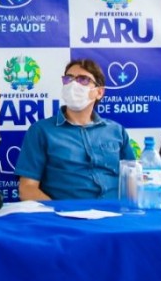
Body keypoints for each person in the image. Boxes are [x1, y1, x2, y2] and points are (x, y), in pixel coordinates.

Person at [15, 59, 134, 200]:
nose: (73, 85)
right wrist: (59, 213)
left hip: (114, 214)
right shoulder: (41, 131)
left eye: (83, 80)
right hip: (66, 216)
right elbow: (27, 189)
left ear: (99, 92)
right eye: (68, 79)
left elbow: (133, 180)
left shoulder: (116, 131)